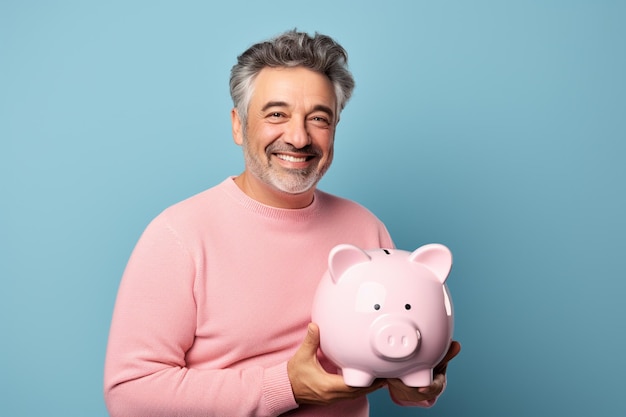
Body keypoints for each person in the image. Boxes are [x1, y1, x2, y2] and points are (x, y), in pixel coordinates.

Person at [104, 29, 460, 417]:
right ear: (239, 125)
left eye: (319, 118)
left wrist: (418, 386)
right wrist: (285, 387)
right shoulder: (179, 236)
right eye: (277, 114)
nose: (298, 136)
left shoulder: (365, 229)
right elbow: (129, 394)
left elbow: (395, 364)